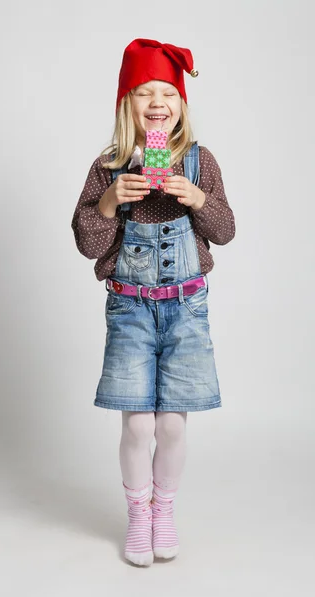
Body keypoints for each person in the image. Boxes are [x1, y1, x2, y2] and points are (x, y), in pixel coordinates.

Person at [71, 38, 236, 567]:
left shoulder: (198, 162)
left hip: (186, 309)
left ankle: (165, 509)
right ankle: (138, 512)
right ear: (128, 104)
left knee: (171, 424)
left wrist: (199, 200)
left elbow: (226, 232)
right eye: (145, 93)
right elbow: (89, 244)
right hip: (131, 310)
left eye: (167, 92)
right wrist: (109, 200)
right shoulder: (109, 165)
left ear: (181, 104)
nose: (157, 102)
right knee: (138, 424)